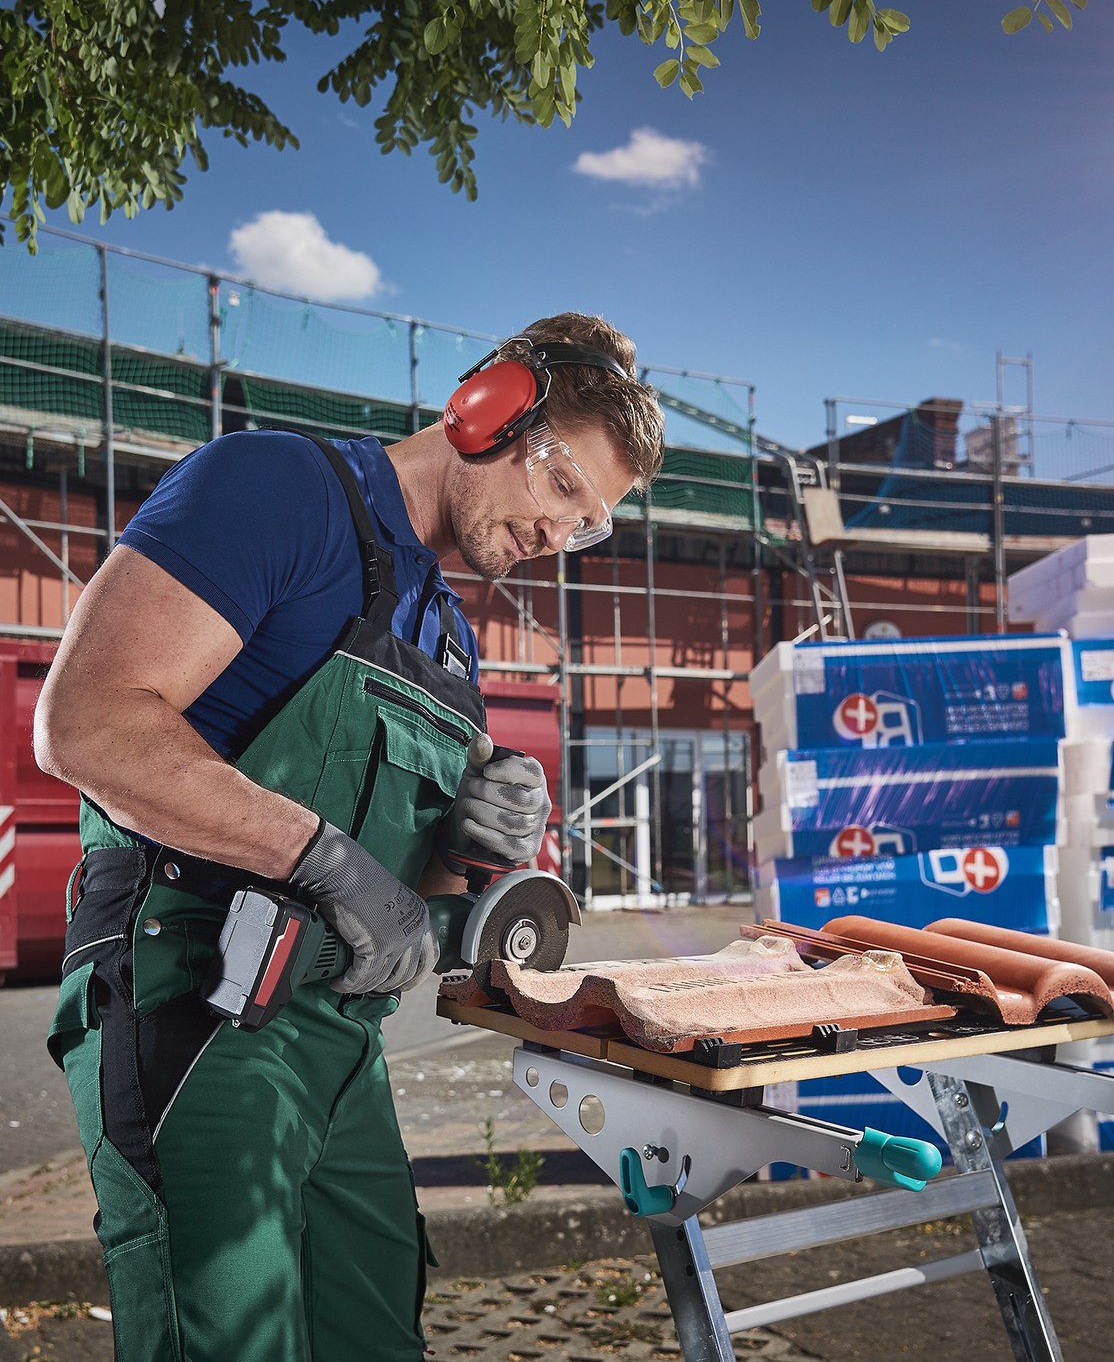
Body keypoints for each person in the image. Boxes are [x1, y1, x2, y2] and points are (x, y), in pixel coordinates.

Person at [34, 311, 666, 1362]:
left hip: (338, 1045)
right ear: (488, 406)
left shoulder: (447, 634)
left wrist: (472, 837)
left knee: (375, 1330)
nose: (562, 533)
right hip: (195, 1004)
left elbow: (399, 887)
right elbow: (88, 721)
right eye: (561, 487)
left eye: (592, 522)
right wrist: (321, 855)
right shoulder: (276, 488)